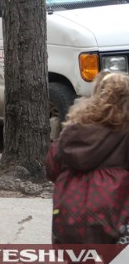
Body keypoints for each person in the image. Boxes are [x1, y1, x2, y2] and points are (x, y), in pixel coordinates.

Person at [46, 71, 129, 244]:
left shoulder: (73, 129)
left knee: (76, 261)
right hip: (114, 215)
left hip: (70, 214)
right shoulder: (124, 133)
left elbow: (52, 168)